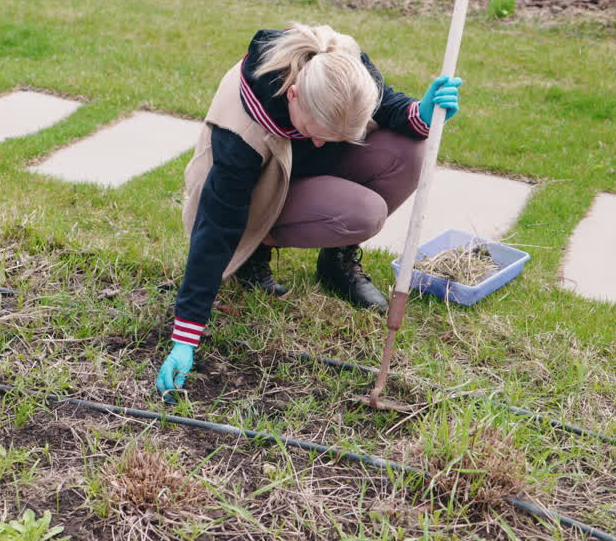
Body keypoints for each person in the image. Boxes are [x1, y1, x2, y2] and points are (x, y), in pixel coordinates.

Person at [156, 24, 462, 398]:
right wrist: (185, 337)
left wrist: (422, 113)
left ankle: (335, 263)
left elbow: (387, 107)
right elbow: (216, 227)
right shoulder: (240, 132)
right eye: (313, 131)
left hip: (301, 172)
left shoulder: (341, 65)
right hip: (252, 196)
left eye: (329, 137)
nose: (317, 142)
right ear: (294, 95)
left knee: (412, 151)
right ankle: (254, 253)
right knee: (362, 213)